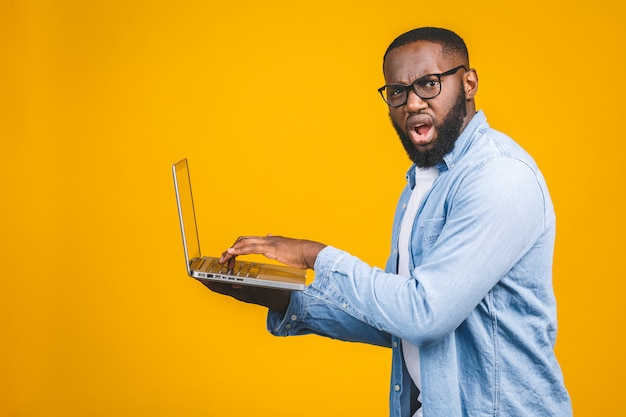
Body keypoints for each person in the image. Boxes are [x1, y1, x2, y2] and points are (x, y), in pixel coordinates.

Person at [205, 27, 572, 416]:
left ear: (468, 83)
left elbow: (425, 315)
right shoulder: (423, 183)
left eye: (429, 83)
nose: (412, 103)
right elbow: (396, 319)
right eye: (397, 91)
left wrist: (315, 255)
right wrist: (274, 293)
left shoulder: (499, 176)